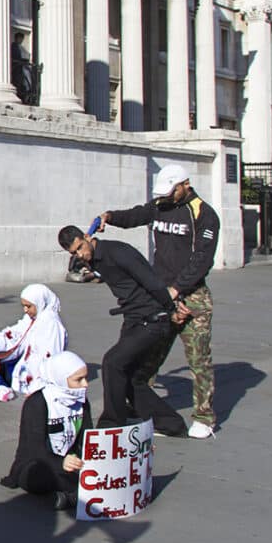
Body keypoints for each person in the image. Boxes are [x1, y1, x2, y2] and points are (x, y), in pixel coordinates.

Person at [97, 164, 220, 438]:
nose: (165, 197)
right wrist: (110, 216)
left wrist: (177, 291)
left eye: (171, 191)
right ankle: (148, 411)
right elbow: (137, 214)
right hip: (161, 294)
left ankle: (204, 417)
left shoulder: (204, 214)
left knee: (198, 359)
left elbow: (203, 260)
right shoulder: (161, 205)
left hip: (192, 294)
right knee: (146, 357)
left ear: (184, 185)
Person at [58, 226, 190, 438]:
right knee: (129, 378)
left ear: (87, 237)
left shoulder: (118, 252)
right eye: (74, 253)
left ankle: (111, 425)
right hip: (133, 319)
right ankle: (171, 424)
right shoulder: (91, 260)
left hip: (153, 319)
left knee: (112, 363)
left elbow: (151, 280)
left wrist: (171, 309)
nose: (80, 255)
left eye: (80, 248)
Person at [0, 351, 91, 511]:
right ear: (61, 379)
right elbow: (35, 449)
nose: (85, 384)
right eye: (78, 380)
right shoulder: (38, 402)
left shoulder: (81, 401)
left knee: (94, 474)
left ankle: (69, 496)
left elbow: (88, 438)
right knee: (42, 475)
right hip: (36, 464)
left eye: (85, 378)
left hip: (71, 462)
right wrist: (61, 462)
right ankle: (73, 494)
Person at [0, 283, 68, 401]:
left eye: (29, 306)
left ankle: (2, 386)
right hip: (21, 368)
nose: (25, 310)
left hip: (34, 377)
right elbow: (13, 335)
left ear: (40, 303)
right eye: (23, 306)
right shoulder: (33, 319)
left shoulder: (51, 325)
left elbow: (49, 358)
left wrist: (38, 389)